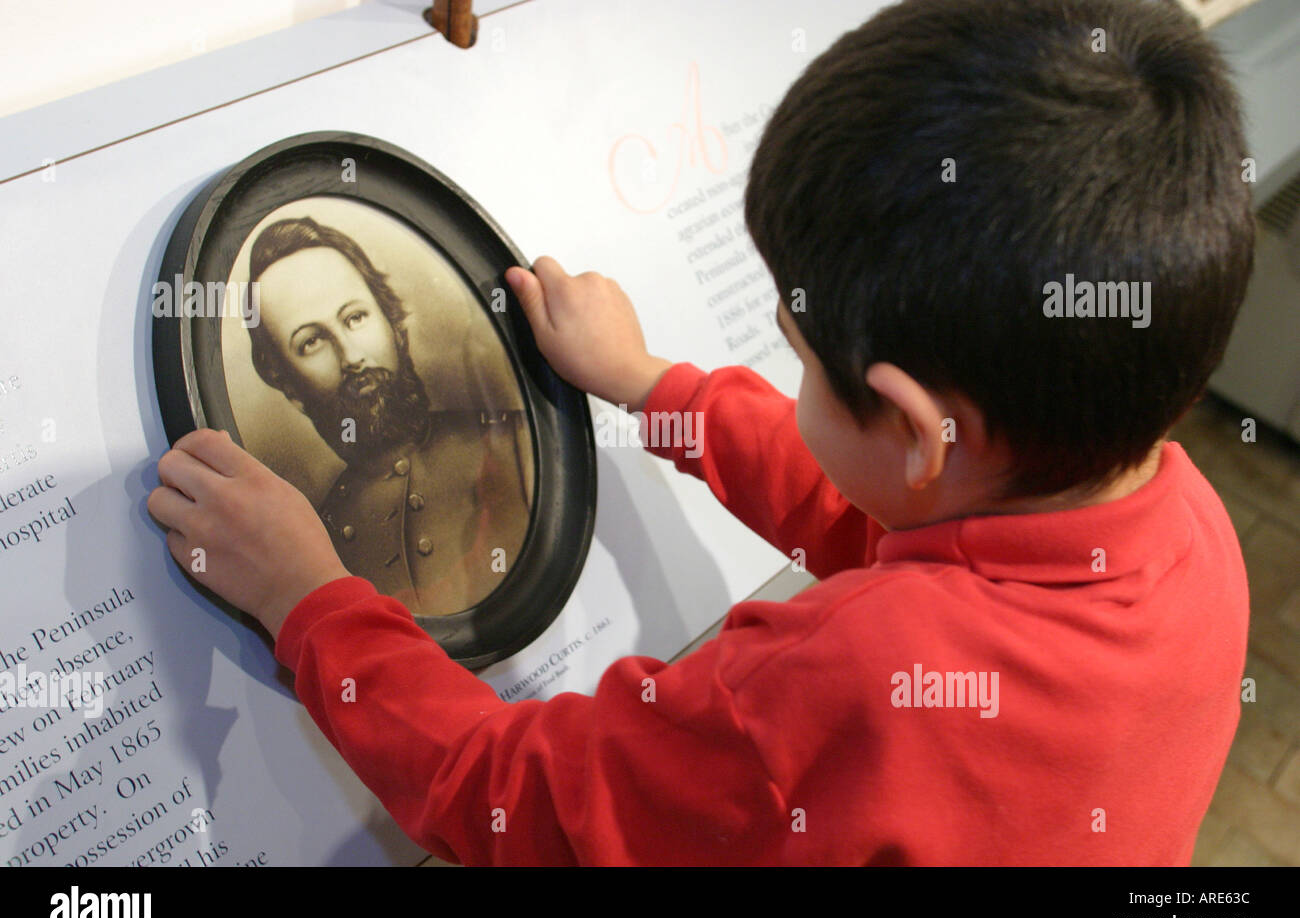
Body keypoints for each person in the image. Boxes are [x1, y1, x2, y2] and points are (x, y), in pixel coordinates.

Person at [147, 0, 1253, 864]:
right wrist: (650, 385)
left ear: (918, 430)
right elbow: (874, 515)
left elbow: (515, 799)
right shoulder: (1176, 522)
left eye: (799, 356)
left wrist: (307, 598)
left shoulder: (847, 685)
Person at [244, 217, 532, 617]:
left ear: (394, 325)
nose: (352, 357)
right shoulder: (315, 537)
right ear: (290, 388)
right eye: (311, 342)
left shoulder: (514, 442)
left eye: (355, 318)